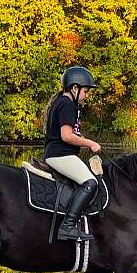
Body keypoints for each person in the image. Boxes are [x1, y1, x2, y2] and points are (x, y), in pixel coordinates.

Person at [44, 66, 101, 241]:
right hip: (60, 155)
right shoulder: (67, 104)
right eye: (85, 91)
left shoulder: (63, 102)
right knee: (90, 182)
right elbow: (66, 136)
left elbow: (71, 134)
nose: (86, 96)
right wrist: (90, 143)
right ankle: (67, 226)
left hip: (61, 153)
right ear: (74, 88)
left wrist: (82, 140)